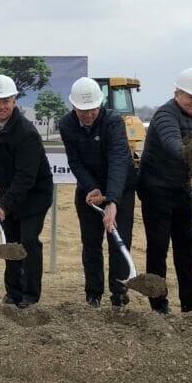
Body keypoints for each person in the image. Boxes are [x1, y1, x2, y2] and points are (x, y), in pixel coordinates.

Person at [137, 67, 192, 314]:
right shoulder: (164, 115)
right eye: (191, 96)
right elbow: (174, 146)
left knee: (187, 244)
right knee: (158, 247)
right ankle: (158, 304)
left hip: (181, 188)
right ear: (177, 93)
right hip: (155, 189)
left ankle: (191, 302)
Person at [58, 77, 137, 308]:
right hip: (89, 192)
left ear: (100, 105)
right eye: (83, 110)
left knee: (118, 242)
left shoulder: (113, 121)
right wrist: (92, 187)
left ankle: (119, 295)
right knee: (91, 244)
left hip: (120, 188)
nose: (88, 114)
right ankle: (93, 294)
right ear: (73, 106)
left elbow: (119, 160)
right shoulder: (66, 125)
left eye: (92, 109)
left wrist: (111, 200)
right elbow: (75, 161)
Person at [0, 74, 54, 308]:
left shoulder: (26, 133)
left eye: (6, 101)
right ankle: (13, 292)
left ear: (14, 101)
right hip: (10, 191)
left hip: (34, 195)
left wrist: (4, 207)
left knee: (28, 242)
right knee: (9, 241)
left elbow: (26, 178)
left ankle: (30, 295)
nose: (1, 106)